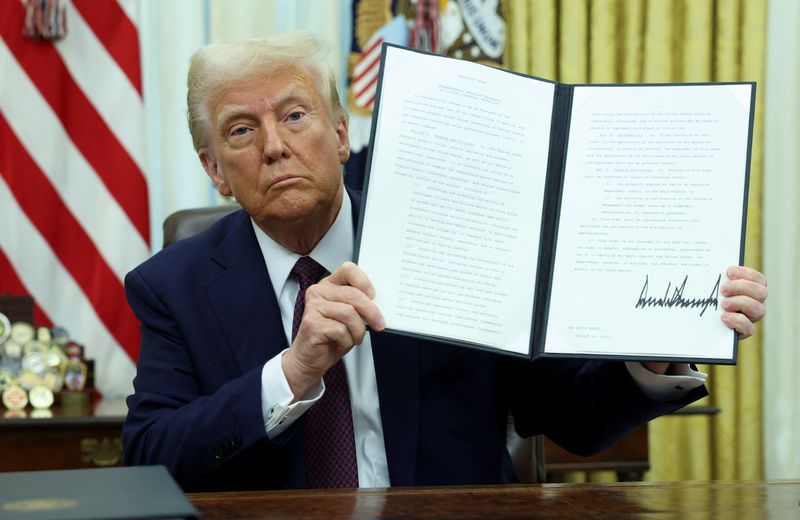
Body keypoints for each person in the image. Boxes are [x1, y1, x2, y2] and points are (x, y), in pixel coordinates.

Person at [122, 32, 768, 492]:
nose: (274, 146)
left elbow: (574, 417)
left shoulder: (454, 237)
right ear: (215, 172)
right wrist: (292, 371)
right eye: (240, 130)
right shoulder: (172, 285)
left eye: (296, 115)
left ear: (341, 134)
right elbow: (152, 456)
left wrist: (658, 342)